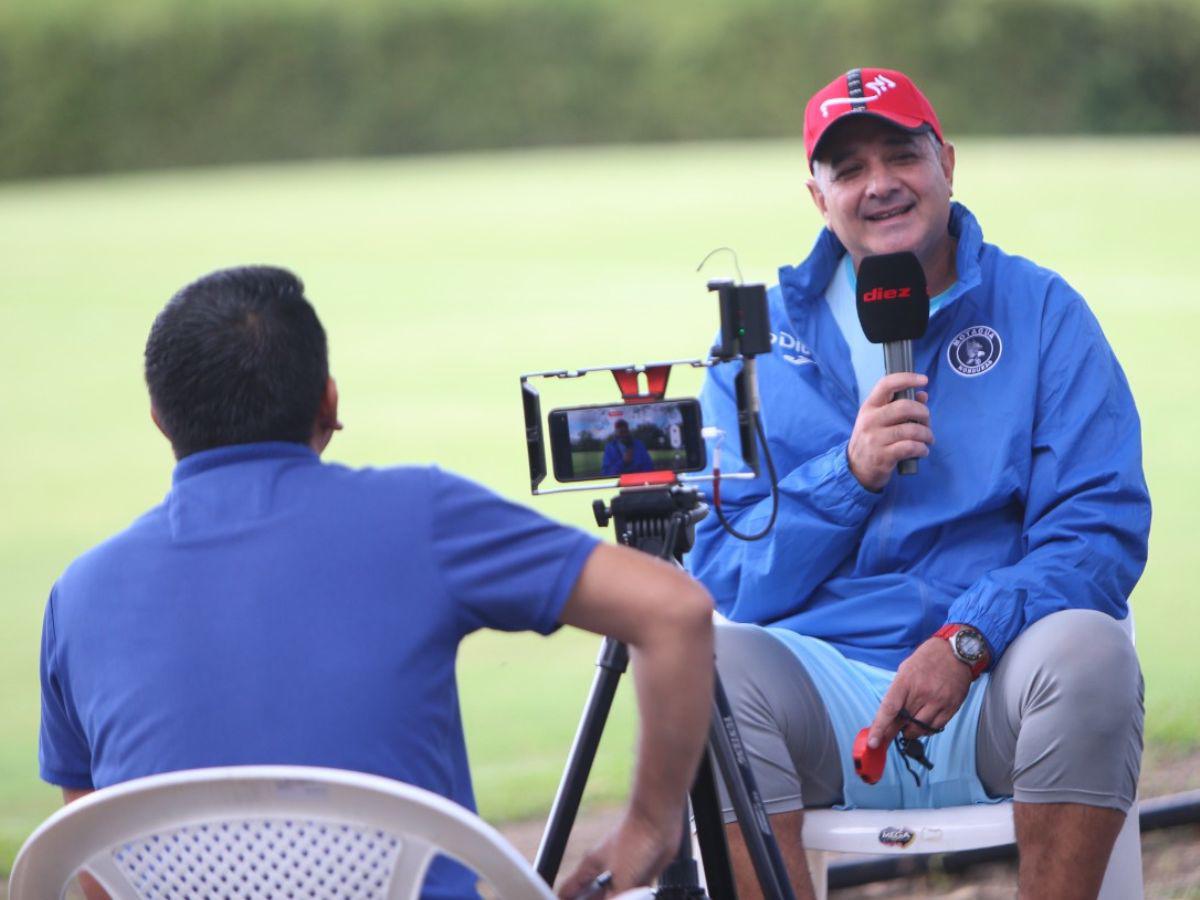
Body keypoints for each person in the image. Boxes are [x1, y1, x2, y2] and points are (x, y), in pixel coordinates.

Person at [38, 266, 715, 900]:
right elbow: (674, 610)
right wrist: (651, 828)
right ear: (329, 402)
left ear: (160, 417)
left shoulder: (77, 594)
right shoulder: (420, 514)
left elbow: (98, 862)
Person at [686, 68, 1149, 900]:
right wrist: (848, 474)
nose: (881, 184)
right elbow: (726, 574)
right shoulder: (754, 346)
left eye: (902, 154)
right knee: (702, 669)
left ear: (947, 163)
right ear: (815, 194)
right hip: (819, 689)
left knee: (1092, 649)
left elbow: (1099, 530)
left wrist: (968, 639)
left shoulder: (1041, 310)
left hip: (994, 680)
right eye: (850, 169)